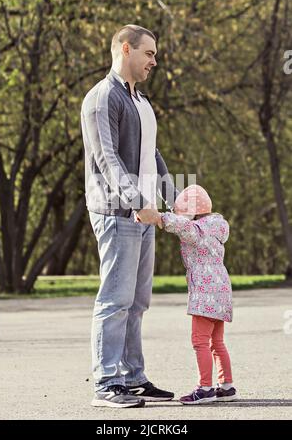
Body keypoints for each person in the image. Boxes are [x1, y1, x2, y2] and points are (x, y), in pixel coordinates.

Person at [81, 24, 177, 408]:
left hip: (142, 214)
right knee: (115, 301)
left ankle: (133, 378)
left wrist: (175, 199)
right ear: (126, 49)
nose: (154, 60)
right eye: (149, 53)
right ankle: (106, 384)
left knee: (137, 302)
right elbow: (108, 158)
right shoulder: (102, 98)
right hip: (117, 211)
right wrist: (138, 201)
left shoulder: (141, 101)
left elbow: (151, 154)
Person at [158, 184, 237, 404]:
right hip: (221, 291)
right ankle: (227, 386)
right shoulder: (216, 227)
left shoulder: (197, 230)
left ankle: (205, 389)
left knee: (199, 341)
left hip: (205, 293)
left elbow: (180, 226)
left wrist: (158, 217)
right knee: (217, 342)